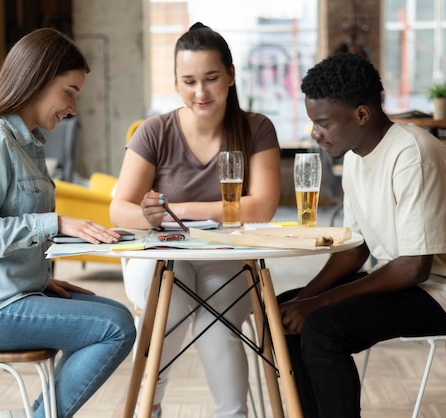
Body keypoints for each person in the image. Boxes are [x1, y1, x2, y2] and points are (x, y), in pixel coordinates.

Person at [277, 52, 446, 418]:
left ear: (361, 114)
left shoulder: (414, 154)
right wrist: (305, 296)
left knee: (322, 327)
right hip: (411, 282)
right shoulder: (353, 156)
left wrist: (316, 305)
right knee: (284, 311)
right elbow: (356, 249)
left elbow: (415, 267)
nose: (314, 133)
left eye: (323, 123)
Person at [0, 28, 136, 418]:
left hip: (6, 294)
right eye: (70, 92)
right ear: (38, 79)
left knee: (112, 314)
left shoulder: (29, 142)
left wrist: (39, 281)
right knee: (114, 326)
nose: (74, 108)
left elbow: (6, 226)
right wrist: (55, 222)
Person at [110, 22, 281, 418]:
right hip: (162, 253)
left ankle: (151, 405)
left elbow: (262, 207)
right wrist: (151, 217)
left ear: (231, 76)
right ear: (175, 82)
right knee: (171, 296)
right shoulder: (155, 131)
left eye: (211, 78)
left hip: (229, 254)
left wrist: (180, 209)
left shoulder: (256, 128)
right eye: (188, 81)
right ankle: (148, 403)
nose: (200, 92)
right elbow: (120, 208)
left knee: (217, 316)